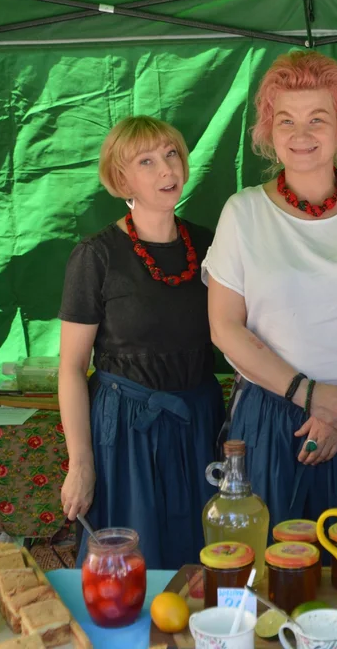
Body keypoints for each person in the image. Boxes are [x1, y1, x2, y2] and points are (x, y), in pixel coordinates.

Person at [203, 50, 337, 524]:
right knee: (271, 575)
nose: (301, 135)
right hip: (273, 419)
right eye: (286, 121)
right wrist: (307, 394)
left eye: (317, 119)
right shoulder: (242, 213)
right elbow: (225, 327)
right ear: (269, 130)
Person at [57, 116, 224, 570]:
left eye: (171, 155)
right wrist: (81, 463)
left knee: (203, 562)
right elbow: (71, 368)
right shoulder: (96, 256)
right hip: (126, 433)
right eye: (146, 161)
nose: (166, 169)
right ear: (120, 178)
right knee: (131, 564)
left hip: (200, 426)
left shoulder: (213, 247)